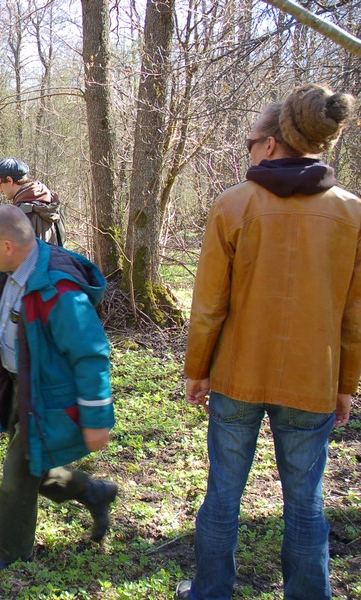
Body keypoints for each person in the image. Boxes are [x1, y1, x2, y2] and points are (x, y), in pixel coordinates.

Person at [177, 84, 359, 600]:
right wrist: (345, 384)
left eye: (251, 143)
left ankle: (211, 592)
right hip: (313, 381)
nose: (249, 152)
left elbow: (209, 305)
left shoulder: (234, 205)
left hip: (238, 376)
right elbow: (353, 315)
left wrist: (198, 370)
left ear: (273, 144)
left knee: (223, 496)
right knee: (306, 502)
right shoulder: (352, 213)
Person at [0, 204, 117, 572]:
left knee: (16, 478)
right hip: (21, 386)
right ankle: (93, 492)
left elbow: (91, 353)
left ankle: (10, 553)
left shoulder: (59, 289)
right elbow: (7, 318)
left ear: (8, 245)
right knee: (33, 462)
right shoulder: (9, 270)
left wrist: (97, 416)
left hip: (47, 393)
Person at [0, 157, 65, 299]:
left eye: (0, 185)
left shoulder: (23, 213)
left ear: (9, 180)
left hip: (34, 290)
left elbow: (10, 258)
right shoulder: (50, 202)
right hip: (56, 281)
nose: (1, 191)